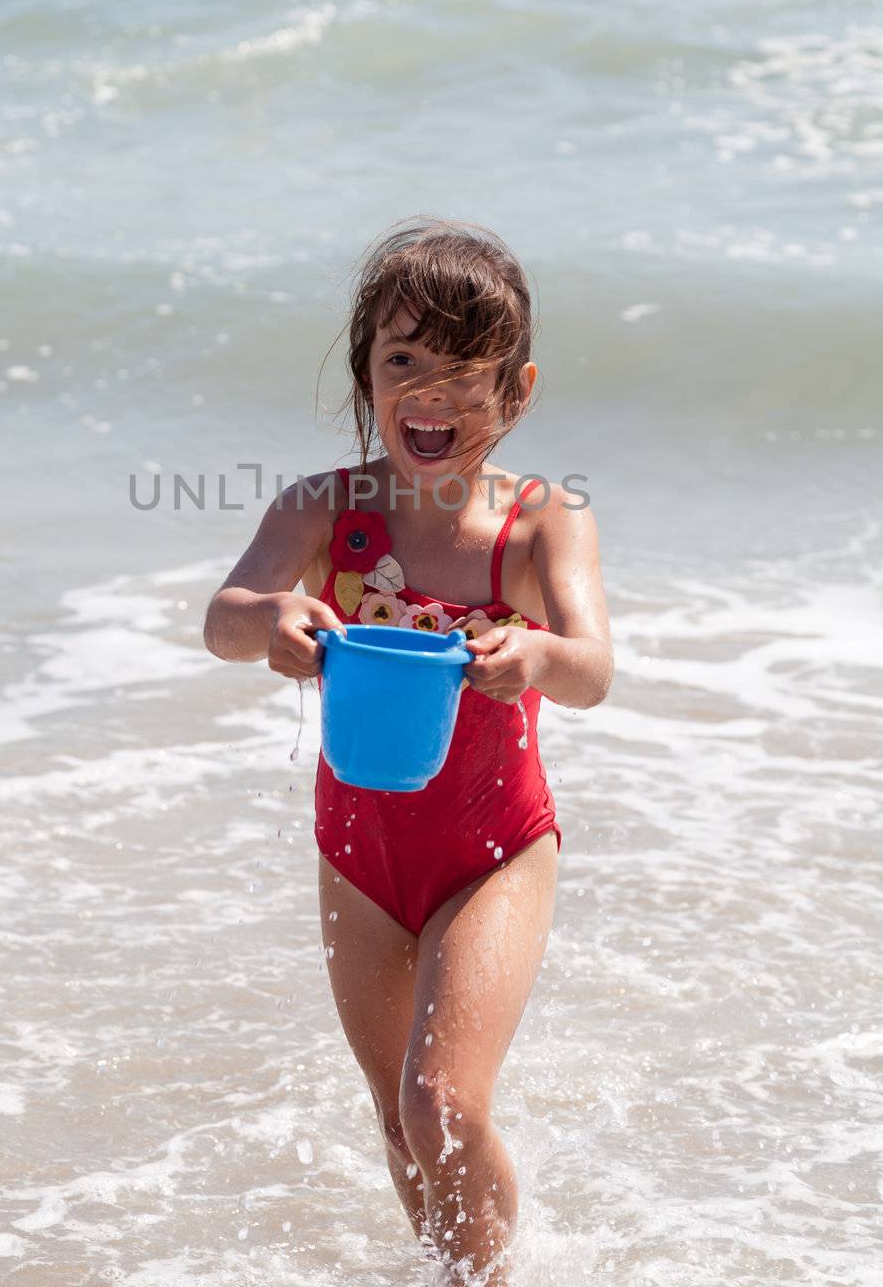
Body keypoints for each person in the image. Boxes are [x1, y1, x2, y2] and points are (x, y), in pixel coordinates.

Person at [203, 216, 613, 1285]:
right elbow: (224, 616)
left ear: (515, 390)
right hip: (358, 848)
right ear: (365, 374)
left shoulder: (540, 520)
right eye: (401, 362)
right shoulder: (323, 509)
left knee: (442, 1099)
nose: (429, 396)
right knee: (398, 1121)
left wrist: (531, 651)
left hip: (494, 848)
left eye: (464, 374)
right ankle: (450, 1274)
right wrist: (272, 621)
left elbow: (592, 668)